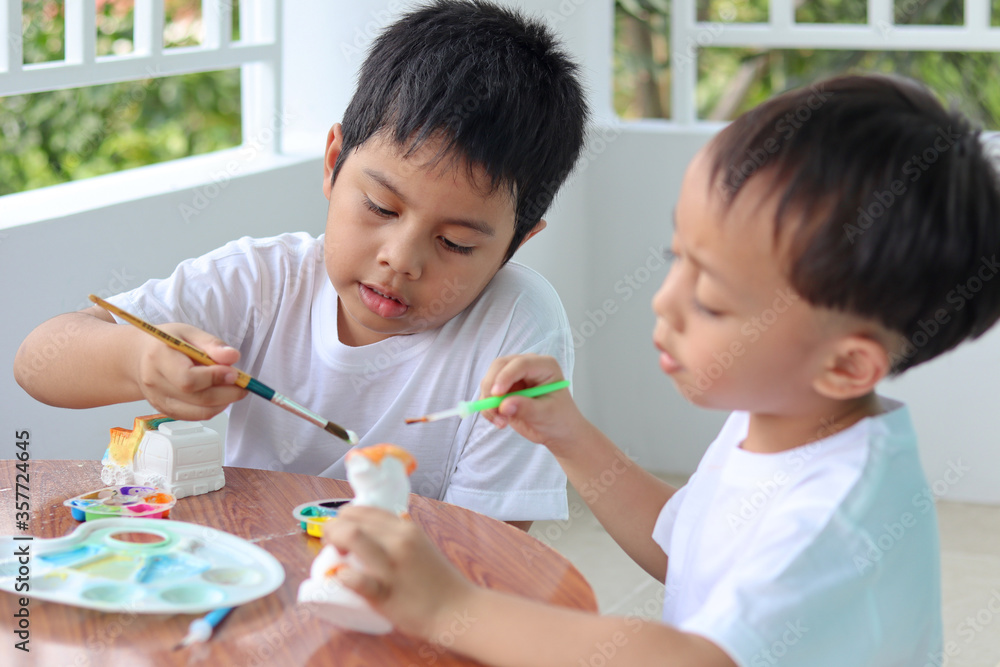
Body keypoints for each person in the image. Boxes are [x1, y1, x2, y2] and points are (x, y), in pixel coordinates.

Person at [320, 74, 1000, 666]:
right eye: (679, 258)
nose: (665, 302)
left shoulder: (835, 518)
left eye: (711, 299)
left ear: (846, 365)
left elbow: (694, 659)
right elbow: (687, 548)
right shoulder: (783, 420)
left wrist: (451, 608)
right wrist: (569, 435)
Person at [12, 0, 589, 528]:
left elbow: (489, 547)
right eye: (380, 207)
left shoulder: (516, 325)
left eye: (456, 243)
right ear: (334, 161)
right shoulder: (264, 279)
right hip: (244, 572)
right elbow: (38, 361)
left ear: (516, 243)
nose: (400, 259)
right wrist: (139, 360)